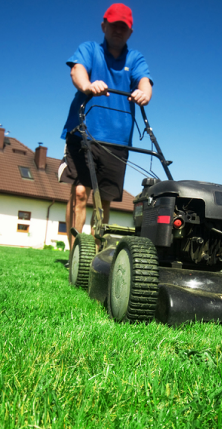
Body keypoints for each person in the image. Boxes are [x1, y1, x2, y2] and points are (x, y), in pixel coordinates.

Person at [59, 3, 153, 252]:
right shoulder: (89, 49)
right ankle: (75, 253)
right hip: (83, 132)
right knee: (81, 192)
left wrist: (144, 93)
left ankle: (96, 255)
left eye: (123, 27)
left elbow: (144, 82)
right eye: (113, 25)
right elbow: (77, 72)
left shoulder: (135, 58)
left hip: (117, 140)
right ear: (104, 25)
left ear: (130, 32)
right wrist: (88, 86)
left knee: (105, 200)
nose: (118, 31)